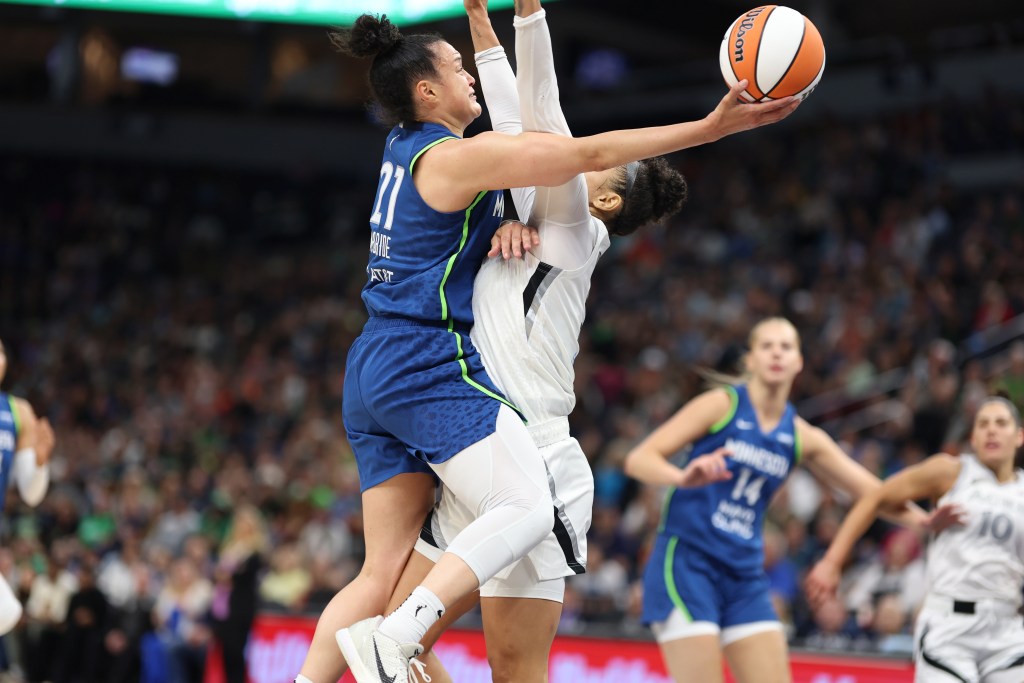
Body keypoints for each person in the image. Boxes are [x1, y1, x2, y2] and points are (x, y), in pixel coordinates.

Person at [303, 9, 799, 683]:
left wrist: (530, 14)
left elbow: (543, 118)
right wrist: (485, 18)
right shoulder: (518, 204)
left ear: (608, 205)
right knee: (393, 642)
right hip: (472, 445)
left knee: (513, 667)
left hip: (530, 447)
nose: (577, 156)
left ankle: (394, 639)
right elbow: (517, 120)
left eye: (610, 169)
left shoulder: (571, 230)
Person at [623, 317, 931, 683]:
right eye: (766, 346)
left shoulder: (801, 435)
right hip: (687, 563)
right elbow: (638, 459)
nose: (776, 353)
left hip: (744, 574)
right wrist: (681, 477)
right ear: (750, 360)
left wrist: (924, 521)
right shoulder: (721, 405)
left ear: (799, 361)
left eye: (786, 347)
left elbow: (873, 492)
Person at [805, 396, 1024, 683]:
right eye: (983, 424)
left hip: (1007, 627)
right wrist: (832, 561)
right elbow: (876, 497)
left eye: (1001, 423)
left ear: (1019, 435)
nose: (991, 430)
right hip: (950, 625)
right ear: (972, 436)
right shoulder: (951, 472)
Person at [0, 337, 54, 636]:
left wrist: (42, 461)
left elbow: (31, 495)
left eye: (0, 351)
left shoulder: (17, 410)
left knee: (8, 612)